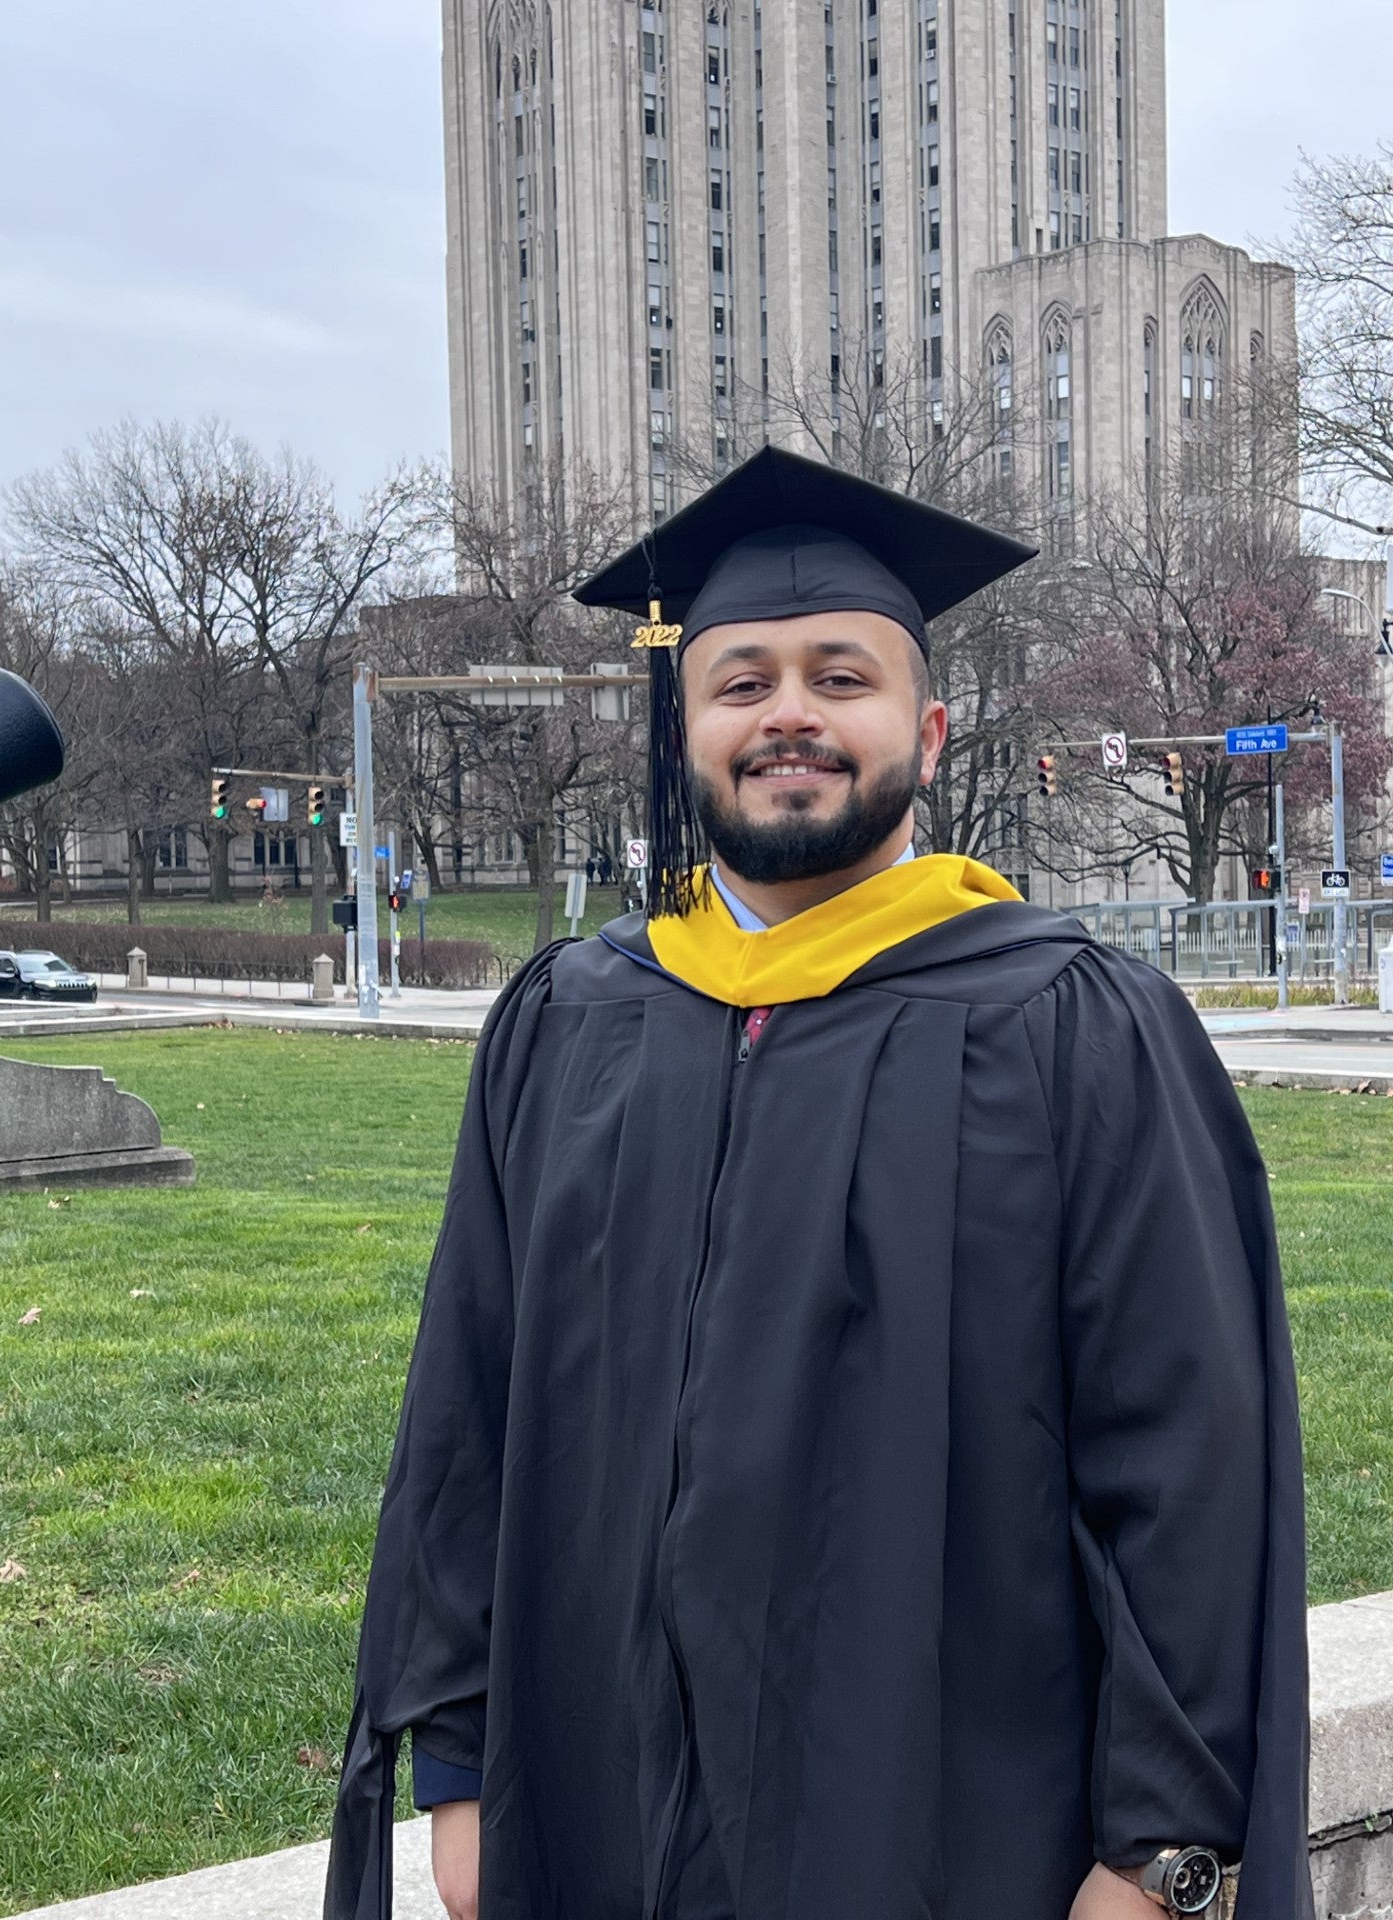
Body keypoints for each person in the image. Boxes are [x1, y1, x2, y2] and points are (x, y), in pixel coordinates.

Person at [326, 447, 1312, 1920]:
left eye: (838, 677)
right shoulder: (572, 1023)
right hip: (589, 1816)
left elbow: (1187, 1470)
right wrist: (462, 1776)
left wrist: (1155, 1863)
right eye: (743, 681)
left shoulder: (1075, 1029)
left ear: (928, 724)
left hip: (960, 1837)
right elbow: (468, 1416)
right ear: (688, 725)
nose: (789, 711)